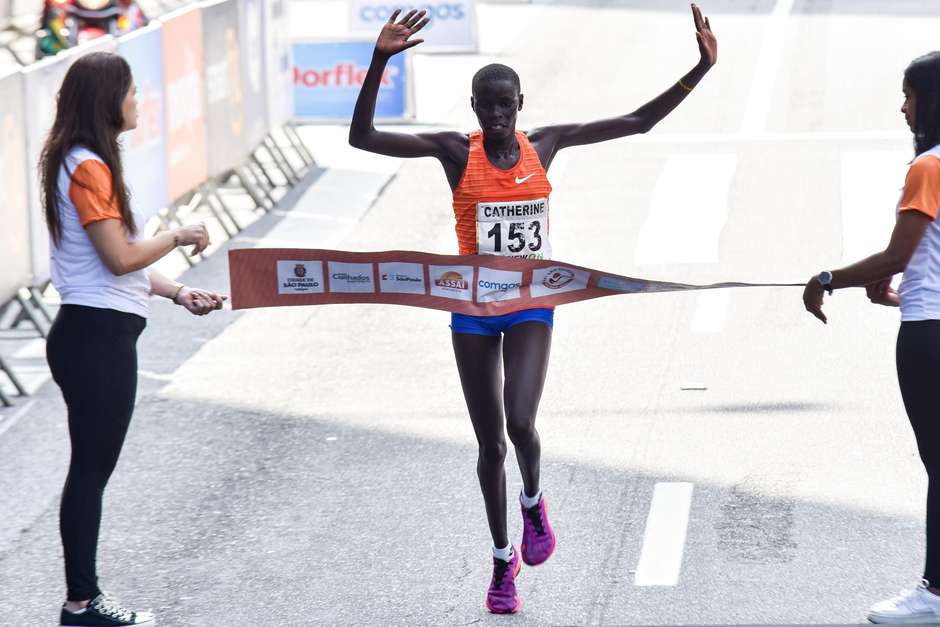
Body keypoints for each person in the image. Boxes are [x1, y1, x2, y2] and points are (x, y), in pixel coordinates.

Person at [349, 5, 717, 614]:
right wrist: (379, 59)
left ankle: (533, 502)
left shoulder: (543, 145)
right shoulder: (452, 150)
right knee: (489, 443)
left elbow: (637, 121)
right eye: (486, 107)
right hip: (471, 309)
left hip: (529, 305)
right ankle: (501, 562)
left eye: (506, 107)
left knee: (521, 423)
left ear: (521, 104)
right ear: (473, 107)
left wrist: (698, 69)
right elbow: (362, 138)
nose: (496, 118)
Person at [39, 51, 226, 627]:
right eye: (131, 92)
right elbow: (119, 258)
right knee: (90, 474)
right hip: (95, 340)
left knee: (90, 471)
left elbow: (119, 263)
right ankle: (81, 604)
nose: (137, 101)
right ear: (107, 101)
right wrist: (177, 234)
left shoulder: (85, 160)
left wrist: (176, 293)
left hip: (95, 334)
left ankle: (83, 600)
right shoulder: (88, 166)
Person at [801, 51, 940, 624]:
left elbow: (896, 255)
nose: (903, 105)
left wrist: (826, 279)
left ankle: (934, 594)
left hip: (929, 337)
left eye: (909, 94)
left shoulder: (928, 168)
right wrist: (901, 289)